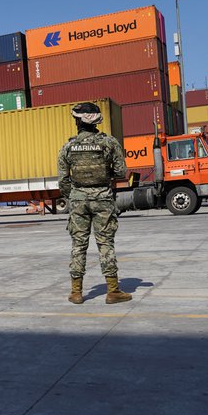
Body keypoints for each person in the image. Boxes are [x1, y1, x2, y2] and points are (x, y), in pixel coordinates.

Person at [56, 102, 132, 304]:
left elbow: (63, 180)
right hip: (103, 199)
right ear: (96, 121)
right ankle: (113, 291)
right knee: (105, 244)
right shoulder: (109, 143)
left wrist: (74, 195)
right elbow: (121, 172)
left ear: (78, 122)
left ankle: (76, 292)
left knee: (78, 246)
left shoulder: (68, 147)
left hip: (78, 201)